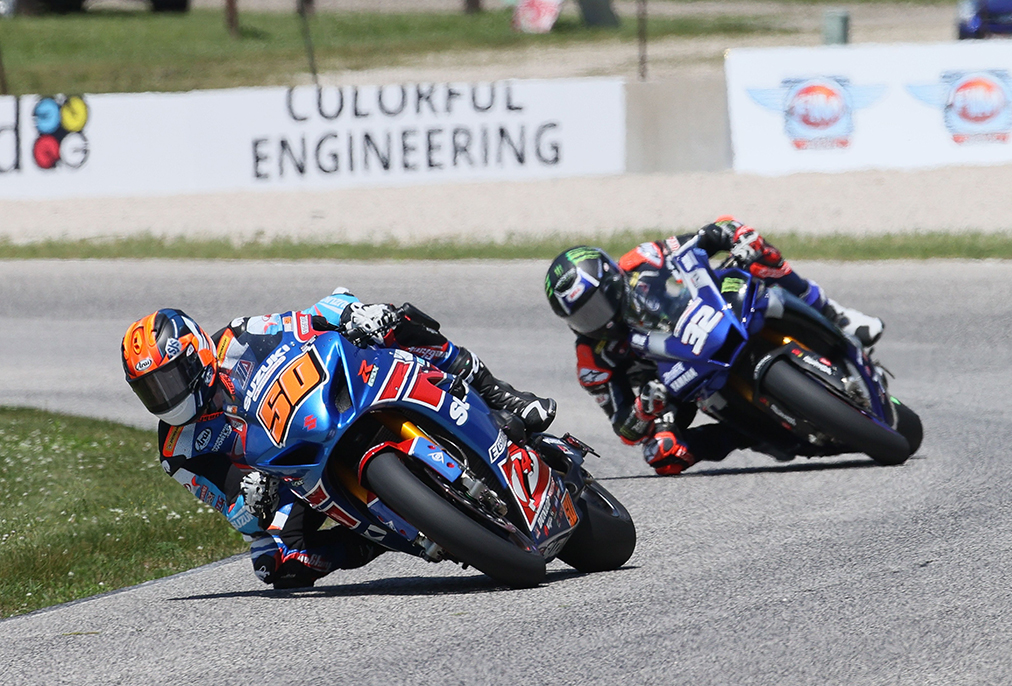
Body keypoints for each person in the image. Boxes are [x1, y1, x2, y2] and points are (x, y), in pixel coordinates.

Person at [121, 289, 556, 588]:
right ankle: (391, 531)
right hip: (287, 473)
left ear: (195, 353)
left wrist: (348, 314)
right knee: (274, 565)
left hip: (327, 402)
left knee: (390, 318)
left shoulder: (239, 336)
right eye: (152, 389)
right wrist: (248, 499)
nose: (166, 395)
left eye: (169, 378)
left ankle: (499, 392)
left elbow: (306, 319)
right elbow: (233, 509)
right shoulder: (176, 450)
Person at [544, 216, 884, 477]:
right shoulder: (592, 357)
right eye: (582, 317)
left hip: (708, 314)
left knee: (757, 254)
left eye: (596, 306)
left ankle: (834, 314)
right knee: (662, 454)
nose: (596, 322)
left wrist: (734, 237)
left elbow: (707, 237)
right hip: (676, 384)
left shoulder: (641, 260)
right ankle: (753, 434)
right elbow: (624, 429)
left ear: (613, 280)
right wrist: (644, 409)